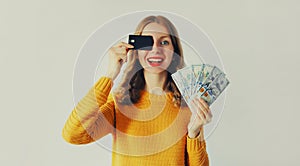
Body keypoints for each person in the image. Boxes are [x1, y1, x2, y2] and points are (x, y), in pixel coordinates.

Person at [62, 15, 212, 166]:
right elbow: (73, 135)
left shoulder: (188, 105)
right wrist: (110, 75)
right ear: (136, 51)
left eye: (164, 42)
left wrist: (194, 133)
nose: (155, 49)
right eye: (147, 42)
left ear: (174, 52)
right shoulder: (119, 103)